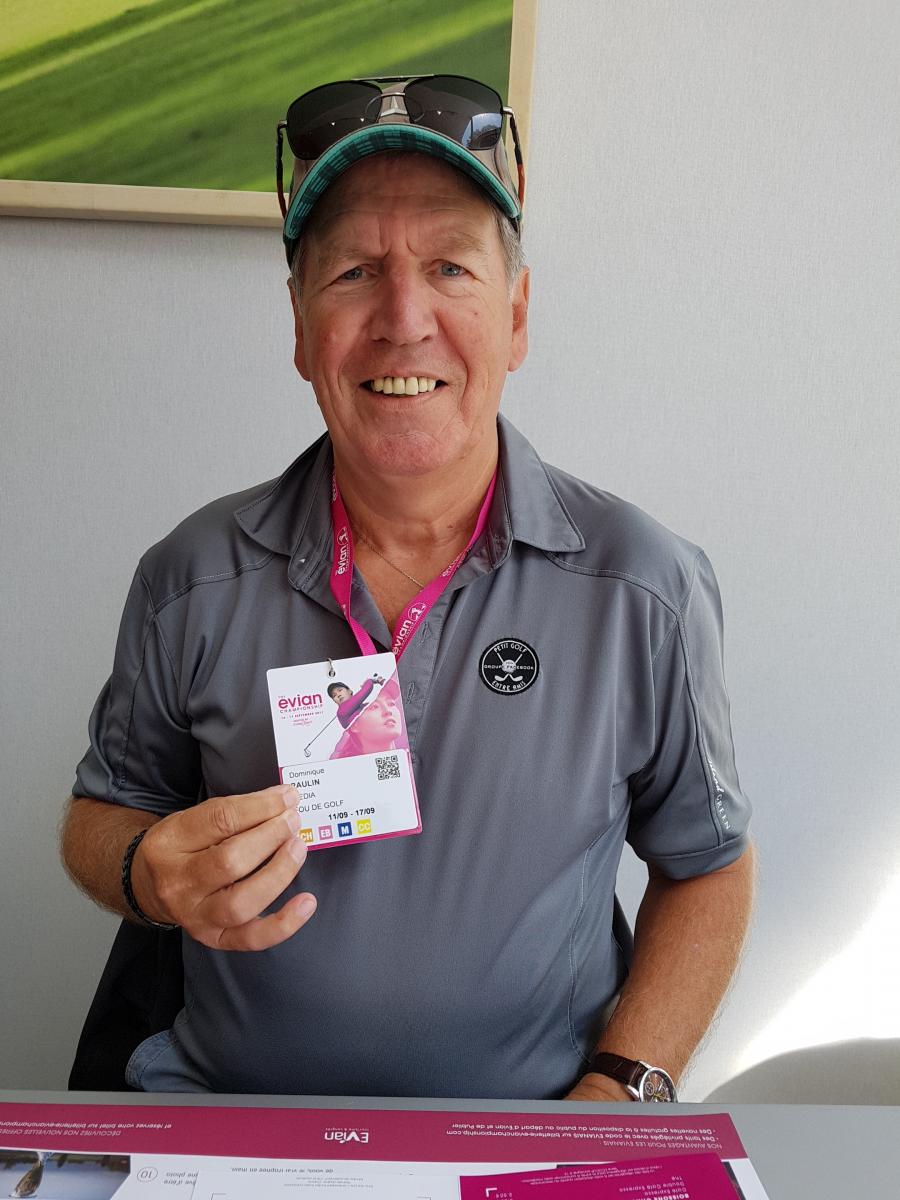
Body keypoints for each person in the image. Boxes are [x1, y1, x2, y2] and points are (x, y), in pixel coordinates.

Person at [61, 73, 754, 1100]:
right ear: (302, 329)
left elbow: (709, 864)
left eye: (449, 267)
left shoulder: (642, 587)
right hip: (233, 1131)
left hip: (520, 1142)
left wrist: (620, 1090)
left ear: (516, 316)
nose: (402, 317)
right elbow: (101, 813)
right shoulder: (189, 579)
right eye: (353, 271)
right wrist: (145, 871)